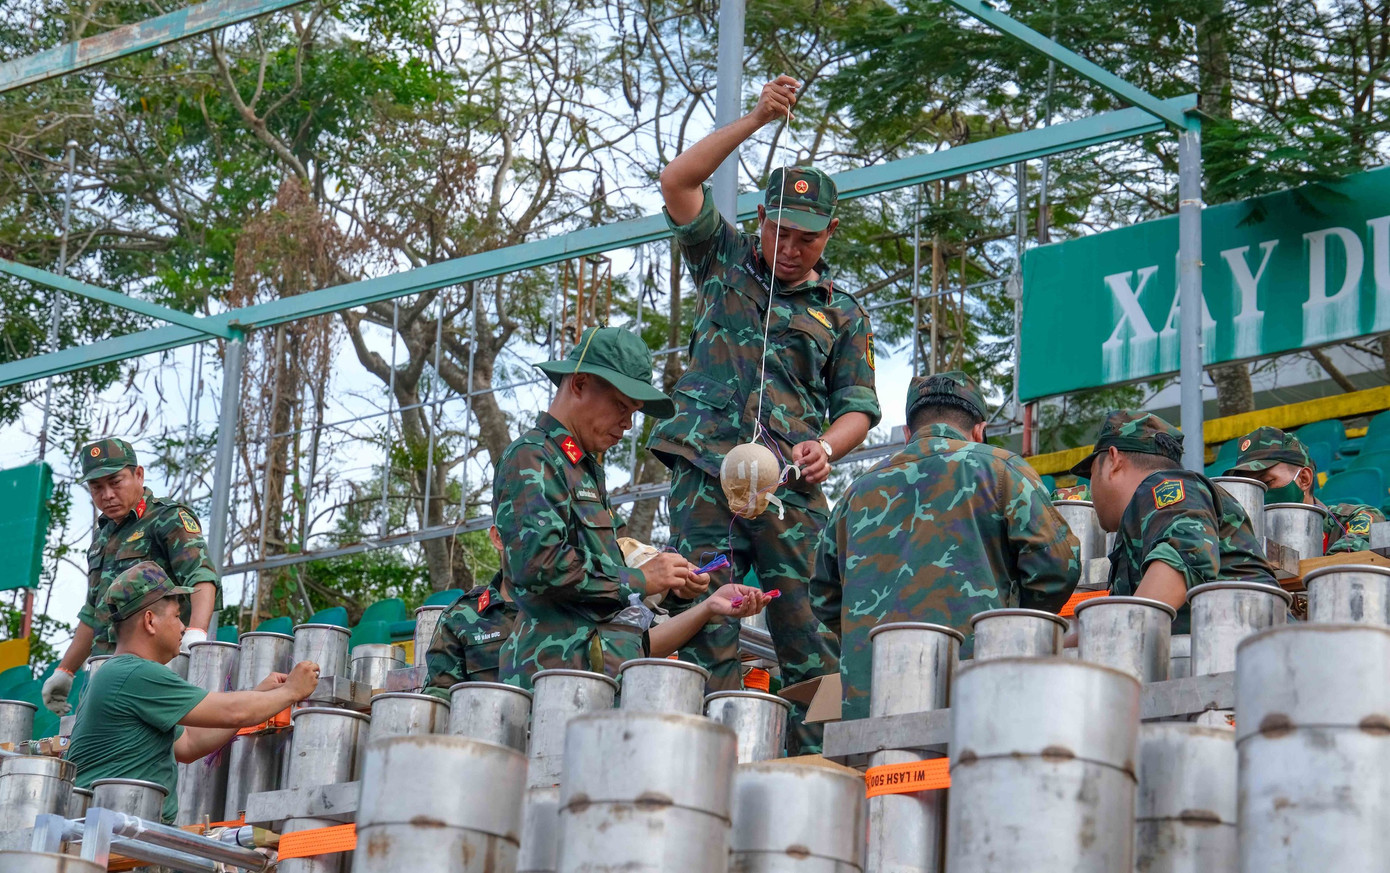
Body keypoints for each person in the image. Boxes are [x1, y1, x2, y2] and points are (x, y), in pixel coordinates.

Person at [650, 75, 880, 753]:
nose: (789, 247)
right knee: (704, 617)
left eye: (806, 237)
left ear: (830, 232)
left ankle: (821, 760)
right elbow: (677, 181)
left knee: (815, 635)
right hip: (707, 475)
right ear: (760, 219)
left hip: (789, 489)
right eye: (779, 231)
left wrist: (826, 450)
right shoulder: (722, 259)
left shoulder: (842, 313)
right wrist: (754, 119)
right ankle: (703, 755)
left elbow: (859, 408)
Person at [809, 372, 1080, 721]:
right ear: (979, 430)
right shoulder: (1002, 470)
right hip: (976, 700)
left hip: (873, 706)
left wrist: (868, 640)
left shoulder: (855, 493)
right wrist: (1010, 623)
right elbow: (1059, 567)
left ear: (908, 433)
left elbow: (823, 596)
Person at [494, 327, 712, 689]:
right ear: (579, 384)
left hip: (601, 670)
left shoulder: (582, 469)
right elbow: (537, 563)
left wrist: (670, 585)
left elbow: (604, 583)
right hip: (556, 677)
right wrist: (642, 579)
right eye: (622, 406)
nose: (628, 424)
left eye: (634, 412)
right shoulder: (532, 456)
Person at [64, 562, 319, 824]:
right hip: (115, 831)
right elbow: (234, 712)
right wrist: (291, 691)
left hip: (113, 826)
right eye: (177, 616)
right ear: (150, 621)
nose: (183, 627)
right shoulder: (135, 673)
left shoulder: (119, 674)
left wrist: (260, 693)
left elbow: (189, 744)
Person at [425, 526, 774, 697]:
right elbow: (441, 701)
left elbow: (639, 648)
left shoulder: (589, 599)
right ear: (498, 537)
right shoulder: (463, 617)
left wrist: (709, 607)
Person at [43, 439, 222, 715]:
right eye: (96, 487)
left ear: (138, 474)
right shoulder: (101, 538)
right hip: (105, 672)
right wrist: (65, 671)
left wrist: (195, 635)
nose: (107, 495)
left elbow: (201, 577)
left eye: (115, 482)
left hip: (155, 669)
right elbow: (93, 611)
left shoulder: (167, 518)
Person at [1073, 411, 1278, 632]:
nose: (1091, 489)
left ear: (1113, 460)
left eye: (1092, 474)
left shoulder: (1167, 486)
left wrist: (1110, 638)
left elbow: (1183, 560)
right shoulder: (1142, 519)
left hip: (1262, 646)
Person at [1223, 425, 1385, 555]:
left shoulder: (1348, 520)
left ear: (1304, 479)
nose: (1257, 494)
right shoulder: (1242, 536)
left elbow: (1350, 558)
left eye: (1267, 482)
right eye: (1250, 487)